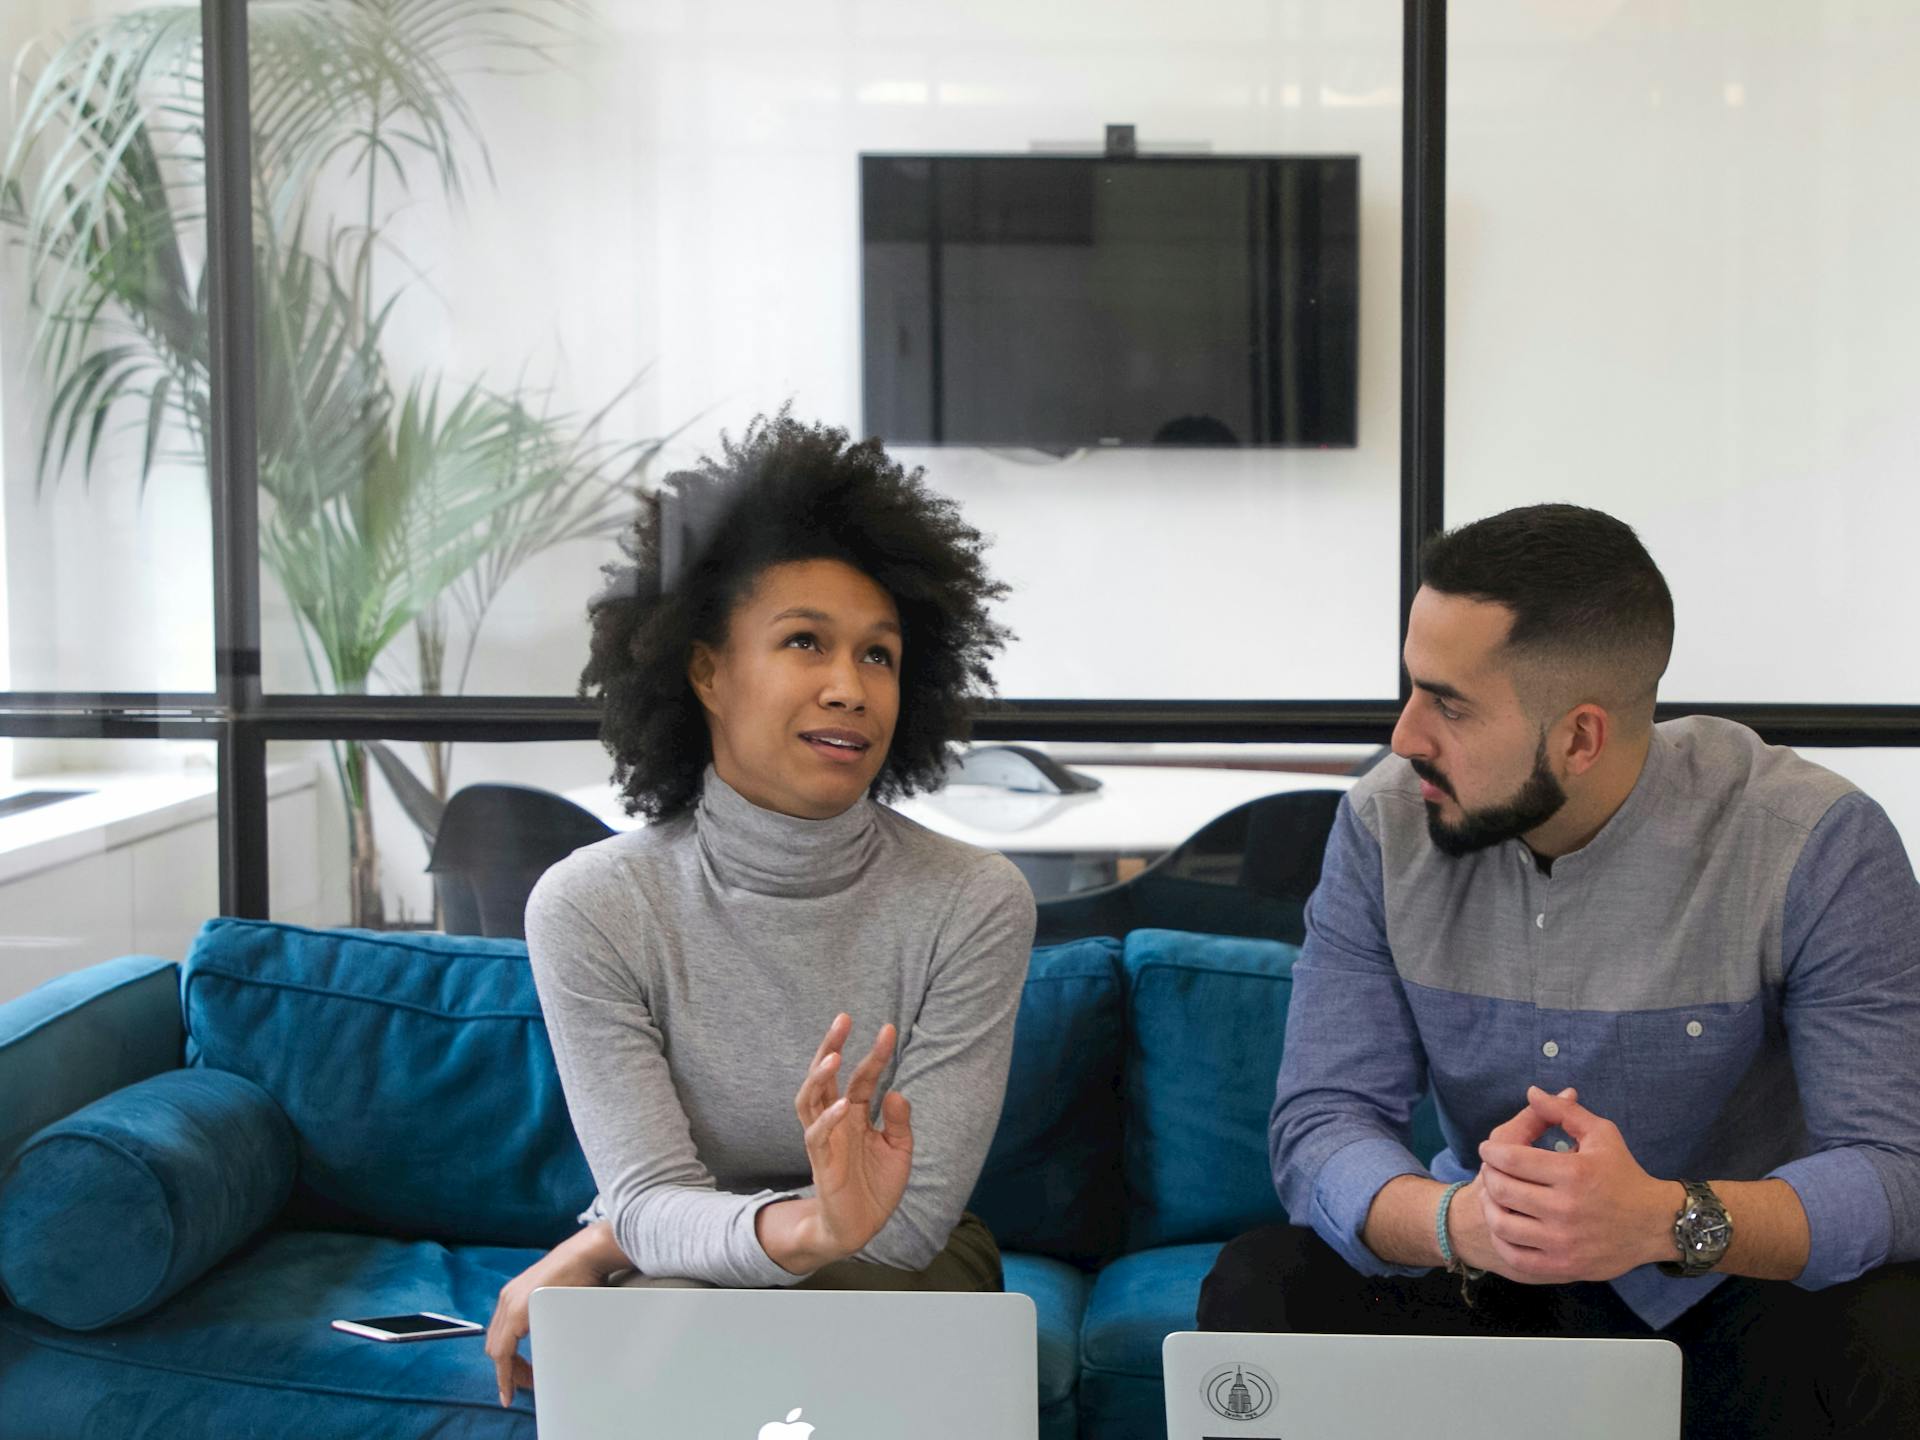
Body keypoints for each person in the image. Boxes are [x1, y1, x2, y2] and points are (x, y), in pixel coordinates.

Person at [1198, 504, 1920, 1437]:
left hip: (1728, 1285)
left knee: (1897, 1327)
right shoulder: (1384, 826)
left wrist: (1665, 1219)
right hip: (1482, 1275)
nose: (1406, 734)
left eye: (1449, 704)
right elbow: (1322, 1120)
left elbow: (1897, 1169)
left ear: (1581, 737)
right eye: (1413, 688)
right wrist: (1464, 1223)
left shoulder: (1810, 843)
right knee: (1267, 1283)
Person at [483, 413, 1035, 1406]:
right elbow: (650, 1199)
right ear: (705, 671)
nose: (849, 688)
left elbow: (904, 1227)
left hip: (906, 1274)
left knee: (687, 1322)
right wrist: (711, 1230)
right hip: (691, 1270)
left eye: (878, 656)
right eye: (803, 643)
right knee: (656, 1332)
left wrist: (619, 1241)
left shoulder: (972, 902)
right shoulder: (594, 907)